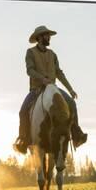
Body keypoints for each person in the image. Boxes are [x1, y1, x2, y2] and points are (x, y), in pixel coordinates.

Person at [13, 25, 88, 154]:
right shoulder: (30, 52)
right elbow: (29, 70)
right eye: (46, 35)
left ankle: (76, 134)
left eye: (49, 35)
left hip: (53, 89)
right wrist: (42, 79)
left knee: (71, 103)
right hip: (37, 89)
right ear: (39, 38)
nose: (49, 38)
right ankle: (23, 139)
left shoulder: (52, 54)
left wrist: (70, 89)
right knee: (23, 111)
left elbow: (59, 73)